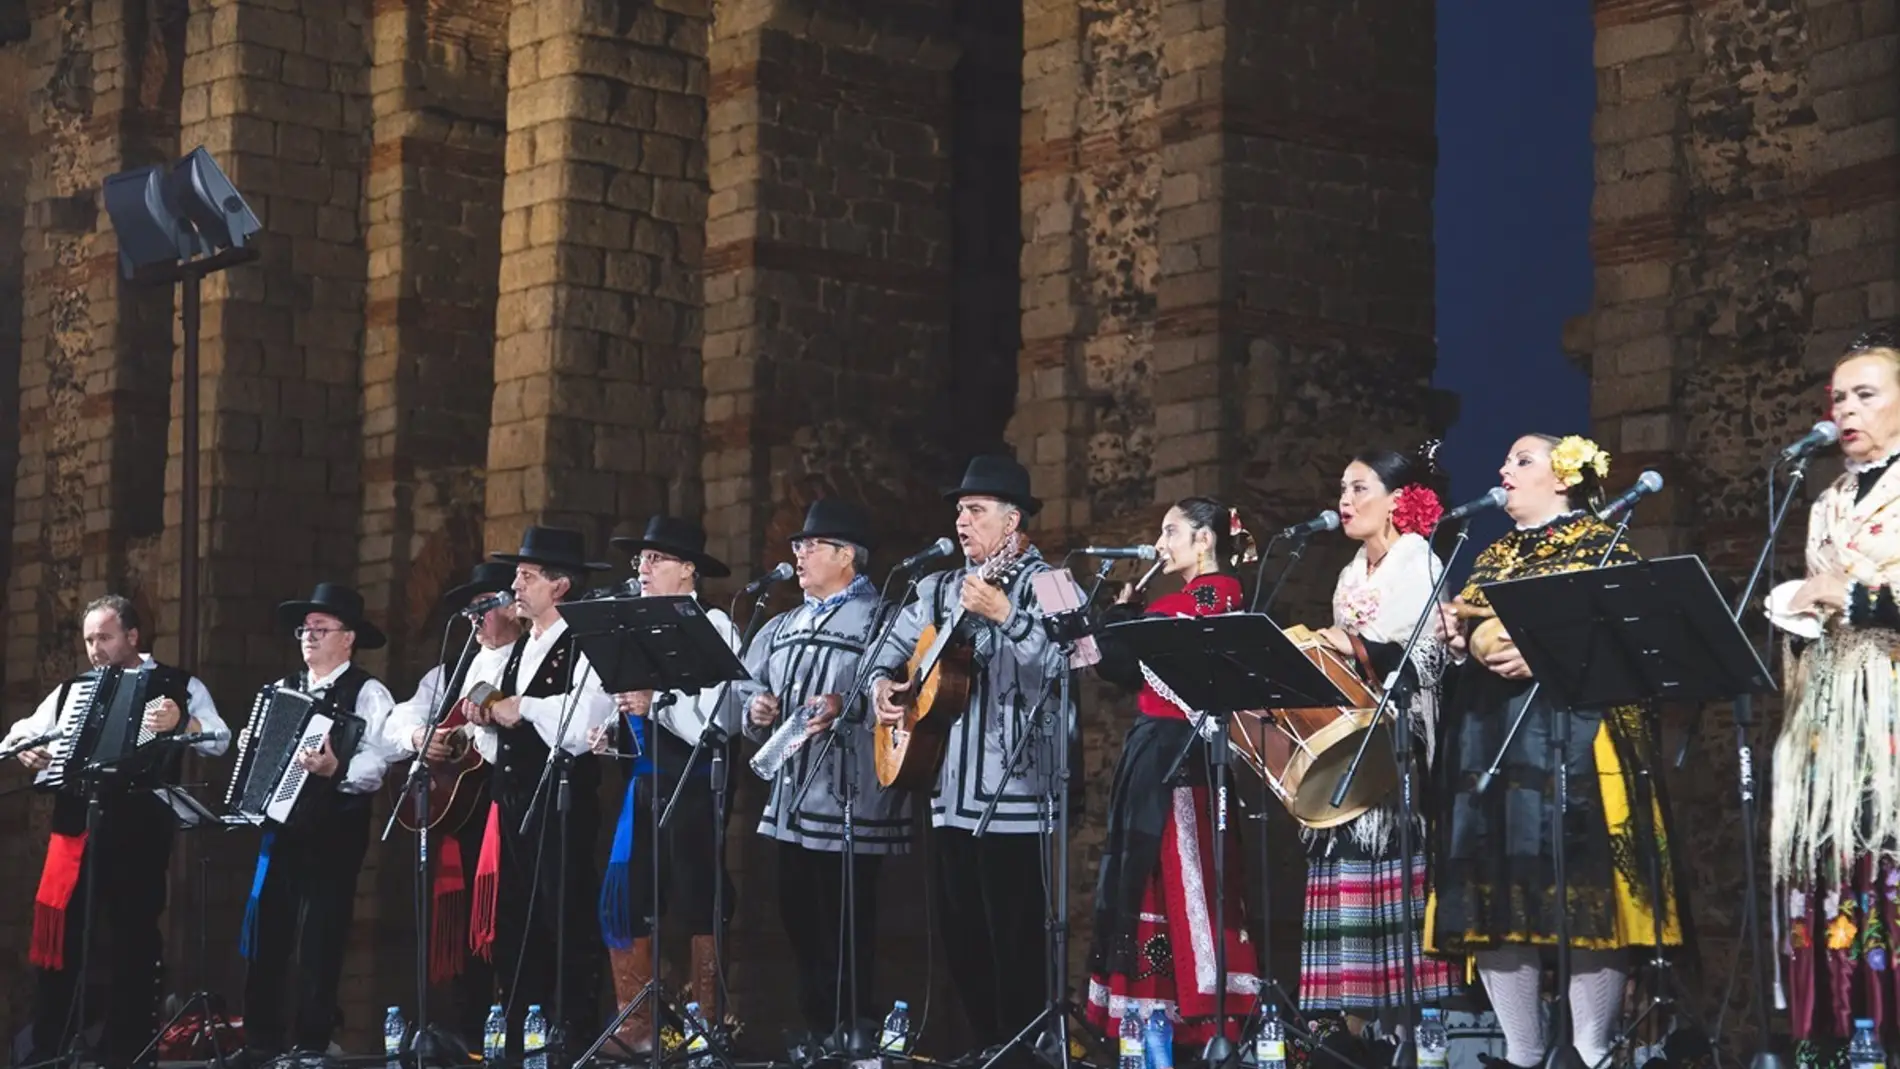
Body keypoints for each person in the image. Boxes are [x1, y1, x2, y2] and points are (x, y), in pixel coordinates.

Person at [1429, 434, 1683, 1069]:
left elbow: (1636, 648)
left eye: (1522, 461)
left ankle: (1593, 1051)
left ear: (1564, 478)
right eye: (1505, 458)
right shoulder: (1492, 555)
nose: (1503, 470)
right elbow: (1478, 640)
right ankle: (1521, 1053)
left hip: (1577, 739)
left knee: (1585, 889)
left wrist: (1541, 646)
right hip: (1496, 743)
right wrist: (1462, 646)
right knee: (1497, 894)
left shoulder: (1602, 546)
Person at [869, 454, 1071, 1059]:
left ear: (1013, 522)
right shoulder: (935, 587)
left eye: (976, 510)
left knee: (1015, 933)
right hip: (946, 786)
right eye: (959, 510)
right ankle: (989, 1046)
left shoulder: (1050, 582)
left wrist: (1007, 615)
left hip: (1017, 789)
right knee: (961, 934)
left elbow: (1072, 661)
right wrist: (882, 682)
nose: (962, 521)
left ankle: (1026, 1048)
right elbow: (886, 646)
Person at [6, 595, 225, 1069]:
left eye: (104, 637)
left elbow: (220, 739)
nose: (95, 648)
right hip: (78, 826)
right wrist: (25, 747)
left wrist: (183, 722)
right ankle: (53, 1047)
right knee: (65, 938)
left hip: (139, 828)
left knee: (134, 937)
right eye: (89, 639)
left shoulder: (176, 684)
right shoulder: (72, 690)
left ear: (132, 636)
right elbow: (20, 733)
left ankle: (128, 1051)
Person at [1290, 446, 1463, 1042]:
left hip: (1395, 749)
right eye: (1342, 488)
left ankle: (1406, 1029)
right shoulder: (1349, 573)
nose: (1344, 500)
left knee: (1388, 869)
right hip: (1350, 736)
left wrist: (1352, 646)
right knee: (1342, 871)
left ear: (1398, 500)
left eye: (1360, 488)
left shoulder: (1418, 560)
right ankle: (1352, 1023)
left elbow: (1428, 657)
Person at [1765, 322, 1900, 1057]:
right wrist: (1795, 609)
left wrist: (1856, 600)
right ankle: (1841, 1030)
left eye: (1865, 394)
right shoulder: (1824, 499)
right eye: (1837, 396)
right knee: (1829, 860)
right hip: (1825, 717)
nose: (1845, 408)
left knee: (1886, 853)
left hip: (1892, 708)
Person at [1085, 497, 1262, 1046]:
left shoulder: (1217, 592)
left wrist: (1129, 619)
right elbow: (1116, 662)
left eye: (1171, 531)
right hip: (1154, 752)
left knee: (1187, 875)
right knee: (1148, 880)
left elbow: (1160, 638)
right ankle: (1150, 1010)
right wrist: (1118, 615)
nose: (1160, 544)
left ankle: (1208, 1014)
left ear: (1205, 540)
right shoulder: (1169, 603)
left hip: (1186, 758)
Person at [742, 500, 912, 1054]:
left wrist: (849, 705)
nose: (799, 554)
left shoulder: (880, 618)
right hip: (791, 797)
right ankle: (818, 1027)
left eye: (811, 546)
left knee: (849, 916)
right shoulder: (780, 625)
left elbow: (899, 685)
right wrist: (756, 708)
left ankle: (856, 1023)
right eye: (798, 546)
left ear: (847, 556)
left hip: (851, 795)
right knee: (798, 912)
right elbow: (744, 687)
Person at [463, 526, 617, 1058]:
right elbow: (489, 721)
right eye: (518, 574)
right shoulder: (516, 650)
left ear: (561, 586)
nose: (516, 585)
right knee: (515, 917)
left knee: (564, 912)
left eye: (528, 576)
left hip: (562, 799)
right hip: (511, 801)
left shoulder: (584, 644)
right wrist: (484, 711)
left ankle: (570, 1025)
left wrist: (520, 708)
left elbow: (583, 724)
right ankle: (519, 1026)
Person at [592, 515, 740, 1053]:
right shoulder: (636, 627)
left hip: (696, 782)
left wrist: (653, 704)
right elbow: (635, 716)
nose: (645, 570)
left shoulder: (715, 627)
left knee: (698, 894)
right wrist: (614, 733)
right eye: (641, 561)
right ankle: (639, 1024)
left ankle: (709, 1020)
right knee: (631, 895)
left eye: (656, 560)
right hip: (646, 782)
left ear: (688, 571)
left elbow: (716, 722)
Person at [237, 582, 401, 1064]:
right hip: (282, 831)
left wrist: (338, 771)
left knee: (321, 938)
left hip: (335, 830)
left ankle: (312, 1041)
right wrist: (252, 748)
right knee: (267, 934)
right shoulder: (279, 690)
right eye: (304, 629)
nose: (308, 636)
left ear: (347, 637)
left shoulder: (368, 692)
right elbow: (258, 761)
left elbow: (384, 758)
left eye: (320, 628)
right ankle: (261, 1041)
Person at [383, 561, 523, 1048]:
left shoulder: (525, 660)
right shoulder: (451, 669)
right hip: (456, 814)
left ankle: (508, 1032)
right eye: (468, 611)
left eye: (482, 608)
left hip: (501, 808)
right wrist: (423, 735)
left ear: (511, 607)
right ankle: (465, 1034)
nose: (473, 619)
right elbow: (397, 720)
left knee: (502, 921)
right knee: (462, 927)